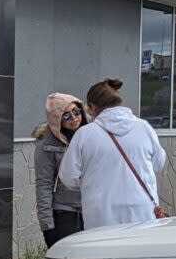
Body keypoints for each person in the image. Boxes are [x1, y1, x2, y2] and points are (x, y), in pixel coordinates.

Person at [58, 78, 167, 229]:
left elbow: (69, 176)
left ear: (91, 107)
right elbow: (158, 163)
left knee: (104, 252)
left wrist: (90, 181)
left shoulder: (85, 135)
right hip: (142, 212)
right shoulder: (144, 128)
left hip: (101, 215)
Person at [33, 93, 88, 247]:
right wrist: (47, 227)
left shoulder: (93, 137)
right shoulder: (46, 146)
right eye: (66, 115)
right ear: (57, 119)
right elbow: (44, 185)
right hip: (66, 212)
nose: (74, 118)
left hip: (94, 209)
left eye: (76, 112)